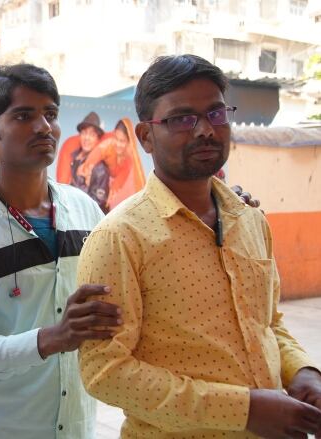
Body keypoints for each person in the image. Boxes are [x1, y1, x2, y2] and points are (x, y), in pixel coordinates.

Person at [78, 54, 321, 438]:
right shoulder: (120, 238)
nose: (206, 130)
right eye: (181, 119)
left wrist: (304, 372)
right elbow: (105, 373)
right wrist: (244, 410)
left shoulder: (251, 219)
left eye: (217, 113)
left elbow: (267, 324)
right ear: (145, 136)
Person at [0, 64, 123, 438]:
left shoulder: (85, 210)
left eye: (50, 114)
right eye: (24, 115)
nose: (43, 127)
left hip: (80, 428)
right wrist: (50, 338)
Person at [77, 118, 146, 211]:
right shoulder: (105, 147)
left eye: (122, 141)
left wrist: (112, 194)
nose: (118, 144)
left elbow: (119, 182)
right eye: (116, 139)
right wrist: (88, 176)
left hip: (111, 186)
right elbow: (87, 167)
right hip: (95, 183)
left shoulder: (129, 158)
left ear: (129, 142)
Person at [56, 111, 110, 211]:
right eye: (84, 133)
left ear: (98, 139)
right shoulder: (74, 157)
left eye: (92, 134)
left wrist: (74, 207)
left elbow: (99, 203)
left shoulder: (100, 169)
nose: (87, 138)